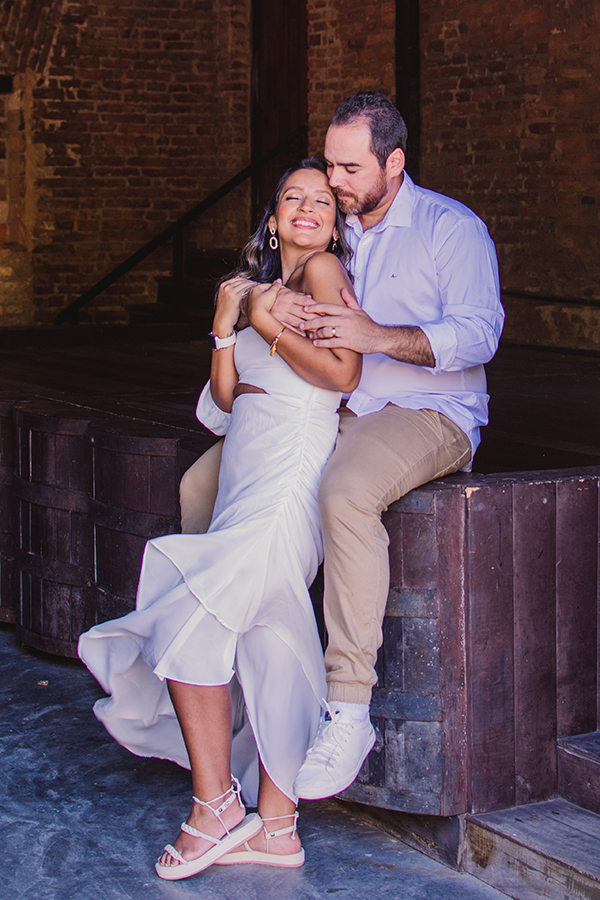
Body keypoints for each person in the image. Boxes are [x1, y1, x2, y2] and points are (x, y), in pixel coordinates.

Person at [179, 92, 505, 802]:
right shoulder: (342, 225)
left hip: (429, 409)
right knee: (201, 485)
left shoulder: (452, 229)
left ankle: (348, 708)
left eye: (349, 168)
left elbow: (480, 336)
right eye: (329, 164)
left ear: (395, 162)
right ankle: (220, 659)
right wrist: (255, 307)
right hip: (340, 409)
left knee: (345, 492)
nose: (335, 182)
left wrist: (376, 336)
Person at [78, 157, 361, 880]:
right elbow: (229, 400)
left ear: (334, 221)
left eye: (321, 201)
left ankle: (215, 807)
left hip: (284, 483)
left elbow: (343, 374)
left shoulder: (324, 273)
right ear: (271, 220)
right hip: (246, 471)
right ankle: (277, 826)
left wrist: (267, 325)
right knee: (271, 644)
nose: (306, 208)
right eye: (292, 199)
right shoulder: (261, 290)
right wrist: (226, 324)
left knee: (186, 619)